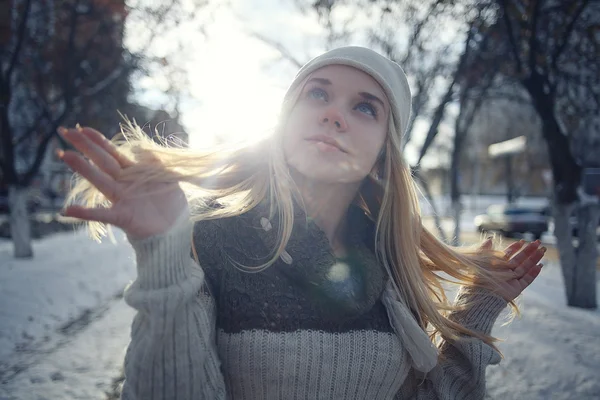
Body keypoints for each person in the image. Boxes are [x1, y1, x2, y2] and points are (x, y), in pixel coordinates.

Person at [57, 46, 545, 399]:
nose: (334, 114)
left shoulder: (392, 268)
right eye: (317, 94)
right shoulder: (212, 239)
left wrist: (475, 314)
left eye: (364, 107)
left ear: (382, 154)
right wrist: (164, 251)